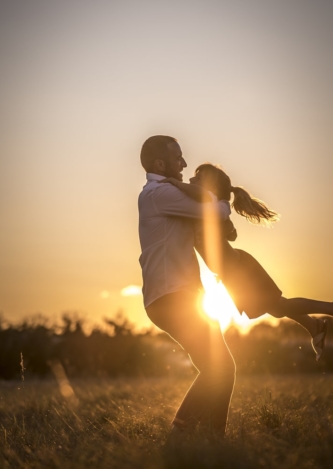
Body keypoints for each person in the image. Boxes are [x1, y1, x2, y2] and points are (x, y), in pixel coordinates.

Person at [160, 163, 333, 361]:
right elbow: (230, 233)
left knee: (278, 307)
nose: (192, 179)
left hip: (240, 269)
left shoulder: (207, 203)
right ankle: (314, 326)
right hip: (232, 271)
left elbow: (216, 215)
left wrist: (175, 183)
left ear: (210, 188)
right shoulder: (203, 208)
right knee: (276, 306)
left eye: (198, 177)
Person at [138, 136, 235, 435]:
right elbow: (215, 212)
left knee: (219, 370)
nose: (183, 163)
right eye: (178, 157)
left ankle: (212, 439)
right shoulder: (160, 193)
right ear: (159, 164)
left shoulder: (166, 193)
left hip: (183, 296)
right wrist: (223, 197)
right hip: (172, 297)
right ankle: (179, 435)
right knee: (220, 369)